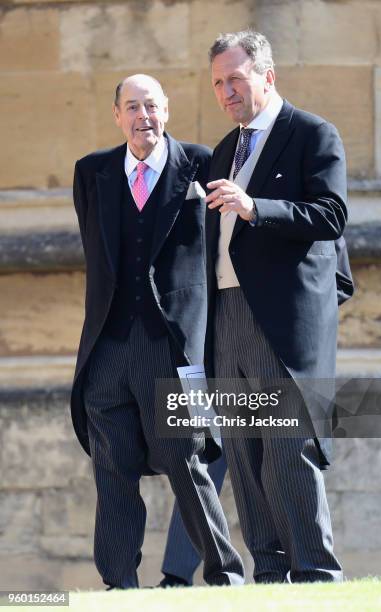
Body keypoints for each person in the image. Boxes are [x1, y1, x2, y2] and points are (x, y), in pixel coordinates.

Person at [70, 73, 244, 589]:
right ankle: (118, 584)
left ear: (166, 110)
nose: (143, 116)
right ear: (117, 115)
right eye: (132, 107)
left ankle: (225, 575)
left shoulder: (202, 163)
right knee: (113, 469)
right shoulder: (92, 172)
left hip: (172, 347)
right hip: (106, 348)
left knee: (186, 460)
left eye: (151, 106)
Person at [203, 30, 349, 583]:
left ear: (267, 76)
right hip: (226, 317)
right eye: (218, 83)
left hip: (281, 322)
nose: (226, 92)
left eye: (235, 79)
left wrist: (254, 207)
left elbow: (330, 215)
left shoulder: (313, 133)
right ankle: (268, 579)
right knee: (243, 454)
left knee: (289, 449)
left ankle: (316, 578)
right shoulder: (222, 149)